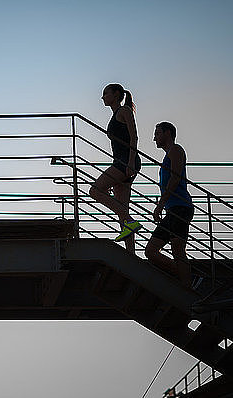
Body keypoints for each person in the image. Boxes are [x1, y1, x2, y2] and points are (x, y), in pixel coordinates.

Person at [89, 83, 142, 252]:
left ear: (116, 94)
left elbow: (134, 137)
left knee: (95, 191)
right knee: (121, 209)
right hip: (121, 161)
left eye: (106, 93)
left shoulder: (124, 111)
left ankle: (130, 221)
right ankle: (131, 253)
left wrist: (131, 162)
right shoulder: (115, 114)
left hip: (125, 162)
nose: (103, 97)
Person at [145, 122, 194, 287]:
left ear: (167, 133)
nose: (154, 138)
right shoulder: (168, 155)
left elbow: (175, 178)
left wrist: (160, 204)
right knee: (151, 251)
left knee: (178, 250)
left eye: (157, 133)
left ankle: (189, 285)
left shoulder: (176, 150)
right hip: (172, 210)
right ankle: (186, 278)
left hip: (180, 207)